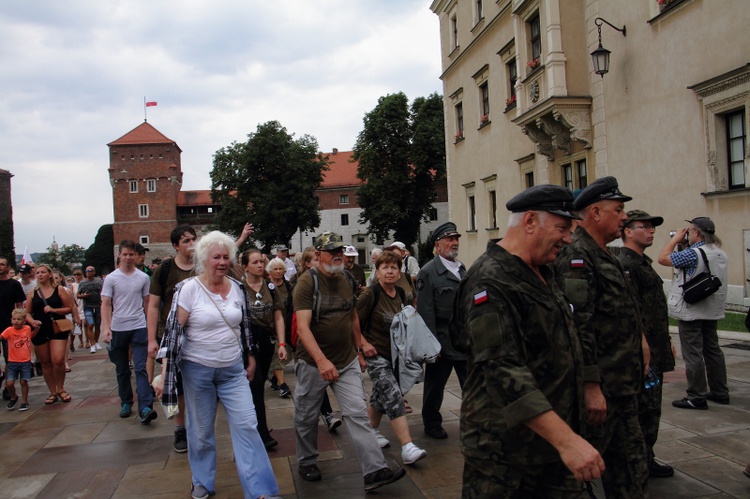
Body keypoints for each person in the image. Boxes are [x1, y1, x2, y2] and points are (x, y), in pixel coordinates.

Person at [453, 184, 604, 497]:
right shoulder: (490, 280)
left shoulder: (541, 270)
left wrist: (588, 385)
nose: (568, 238)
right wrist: (568, 441)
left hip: (548, 442)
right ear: (530, 221)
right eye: (563, 228)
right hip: (506, 453)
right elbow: (503, 369)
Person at [162, 231, 280, 499]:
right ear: (205, 259)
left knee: (248, 426)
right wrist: (164, 373)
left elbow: (245, 327)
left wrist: (250, 357)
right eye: (216, 257)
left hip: (233, 371)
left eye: (226, 257)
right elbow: (172, 334)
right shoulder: (188, 289)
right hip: (197, 371)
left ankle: (261, 491)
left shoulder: (237, 288)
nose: (222, 262)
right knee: (202, 433)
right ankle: (202, 482)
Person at [554, 176, 649, 498]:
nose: (625, 217)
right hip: (602, 391)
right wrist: (591, 386)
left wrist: (643, 343)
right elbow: (579, 325)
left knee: (632, 468)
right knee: (574, 475)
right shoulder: (577, 257)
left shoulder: (605, 254)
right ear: (595, 213)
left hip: (622, 386)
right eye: (619, 209)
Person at [292, 231, 405, 491]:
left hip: (345, 360)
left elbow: (352, 313)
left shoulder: (346, 277)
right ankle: (307, 460)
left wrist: (361, 343)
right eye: (331, 251)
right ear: (318, 255)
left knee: (356, 413)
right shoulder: (307, 283)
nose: (337, 256)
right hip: (312, 363)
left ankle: (375, 471)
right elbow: (303, 329)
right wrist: (321, 362)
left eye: (339, 251)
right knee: (306, 416)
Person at [619, 210, 676, 477]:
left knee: (651, 406)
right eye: (645, 226)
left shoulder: (641, 262)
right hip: (644, 351)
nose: (651, 230)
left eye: (653, 227)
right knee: (646, 407)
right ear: (628, 232)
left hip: (654, 344)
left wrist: (666, 340)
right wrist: (645, 345)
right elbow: (632, 310)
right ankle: (641, 460)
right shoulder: (627, 265)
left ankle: (645, 456)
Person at [357, 249, 427, 464]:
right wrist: (362, 346)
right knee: (393, 395)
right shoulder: (370, 294)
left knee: (380, 396)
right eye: (385, 267)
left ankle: (370, 432)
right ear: (377, 272)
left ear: (399, 273)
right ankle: (407, 447)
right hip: (375, 354)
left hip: (396, 356)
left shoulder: (402, 295)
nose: (389, 271)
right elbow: (353, 322)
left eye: (393, 268)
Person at [657, 216, 729, 410]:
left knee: (693, 354)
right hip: (711, 309)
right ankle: (720, 391)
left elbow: (662, 258)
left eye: (689, 231)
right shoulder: (720, 253)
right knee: (713, 351)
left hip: (692, 310)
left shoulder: (694, 254)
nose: (687, 234)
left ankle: (696, 396)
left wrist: (674, 240)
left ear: (697, 232)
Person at [147, 224, 197, 453]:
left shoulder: (203, 266)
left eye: (193, 239)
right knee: (175, 386)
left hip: (198, 336)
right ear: (176, 245)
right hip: (171, 336)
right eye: (186, 241)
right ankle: (179, 428)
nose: (191, 244)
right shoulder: (165, 269)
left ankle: (196, 425)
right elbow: (154, 305)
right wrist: (151, 339)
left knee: (197, 383)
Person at [416, 221, 467, 440]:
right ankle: (432, 422)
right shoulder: (428, 272)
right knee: (435, 385)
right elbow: (426, 312)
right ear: (438, 245)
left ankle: (475, 420)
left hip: (464, 339)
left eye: (456, 239)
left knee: (471, 383)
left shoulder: (461, 268)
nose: (454, 243)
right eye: (449, 239)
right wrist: (432, 346)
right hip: (441, 338)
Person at [100, 240, 154, 424]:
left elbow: (148, 303)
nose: (129, 258)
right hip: (118, 327)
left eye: (131, 254)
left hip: (138, 325)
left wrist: (150, 326)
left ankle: (146, 407)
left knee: (141, 368)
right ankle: (126, 401)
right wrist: (106, 327)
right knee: (122, 368)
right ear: (120, 256)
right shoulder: (112, 279)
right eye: (125, 254)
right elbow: (106, 304)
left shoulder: (143, 277)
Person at [291, 246, 342, 432]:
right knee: (310, 394)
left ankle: (327, 415)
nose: (318, 263)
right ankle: (326, 416)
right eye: (314, 260)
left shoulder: (336, 278)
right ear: (307, 263)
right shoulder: (302, 283)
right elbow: (296, 319)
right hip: (307, 347)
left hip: (336, 351)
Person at [242, 248, 288, 448]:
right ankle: (260, 431)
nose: (260, 265)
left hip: (267, 340)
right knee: (256, 384)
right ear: (245, 267)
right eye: (255, 263)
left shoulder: (269, 286)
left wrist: (281, 342)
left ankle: (257, 427)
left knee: (258, 386)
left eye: (261, 261)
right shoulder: (239, 287)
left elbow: (278, 315)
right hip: (248, 340)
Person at [25, 263, 75, 405]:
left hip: (57, 326)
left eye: (42, 272)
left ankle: (61, 388)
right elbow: (27, 312)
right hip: (40, 328)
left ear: (49, 274)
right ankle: (52, 391)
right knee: (45, 362)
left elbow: (68, 308)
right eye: (38, 273)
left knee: (58, 359)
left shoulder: (59, 290)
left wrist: (54, 310)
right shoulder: (33, 292)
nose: (39, 275)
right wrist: (32, 321)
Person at [265, 257, 293, 397]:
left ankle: (273, 375)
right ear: (270, 271)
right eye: (275, 269)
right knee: (277, 354)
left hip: (286, 324)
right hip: (271, 326)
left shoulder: (288, 286)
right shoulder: (266, 286)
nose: (278, 271)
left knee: (287, 354)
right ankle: (283, 385)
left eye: (280, 269)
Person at [0, 257, 26, 399]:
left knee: (8, 357)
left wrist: (19, 323)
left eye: (2, 264)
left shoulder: (14, 284)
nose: (0, 267)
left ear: (8, 267)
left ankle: (7, 386)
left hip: (9, 326)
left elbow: (20, 306)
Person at [2, 308, 38, 411]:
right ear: (11, 320)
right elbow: (1, 337)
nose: (16, 321)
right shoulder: (9, 330)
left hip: (25, 360)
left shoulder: (27, 328)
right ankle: (13, 396)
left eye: (19, 319)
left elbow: (31, 337)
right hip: (12, 361)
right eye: (14, 319)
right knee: (9, 383)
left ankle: (24, 401)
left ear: (24, 321)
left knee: (23, 382)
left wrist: (37, 329)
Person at [78, 266, 103, 353]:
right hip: (87, 306)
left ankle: (96, 342)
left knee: (98, 325)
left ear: (94, 272)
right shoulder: (82, 283)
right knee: (90, 325)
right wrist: (83, 296)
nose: (88, 272)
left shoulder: (99, 281)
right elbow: (78, 295)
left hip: (98, 305)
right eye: (86, 271)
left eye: (90, 271)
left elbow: (103, 291)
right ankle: (92, 344)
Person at [71, 269, 86, 348]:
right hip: (76, 305)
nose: (76, 276)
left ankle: (85, 341)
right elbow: (71, 296)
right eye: (75, 275)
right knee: (77, 324)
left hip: (83, 304)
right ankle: (78, 342)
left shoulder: (84, 283)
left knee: (86, 324)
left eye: (78, 274)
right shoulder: (72, 285)